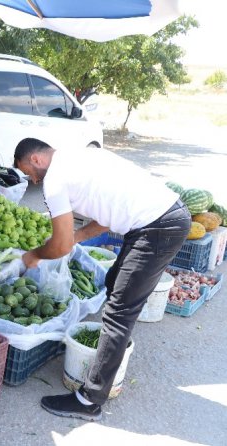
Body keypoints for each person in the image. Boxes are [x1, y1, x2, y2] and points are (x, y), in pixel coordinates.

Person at [13, 138, 191, 421]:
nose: (33, 180)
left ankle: (89, 399)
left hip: (156, 227)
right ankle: (109, 357)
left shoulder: (55, 179)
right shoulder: (81, 155)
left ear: (36, 159)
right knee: (113, 283)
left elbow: (58, 246)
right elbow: (107, 214)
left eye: (29, 172)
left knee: (119, 314)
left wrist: (32, 256)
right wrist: (78, 237)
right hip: (165, 217)